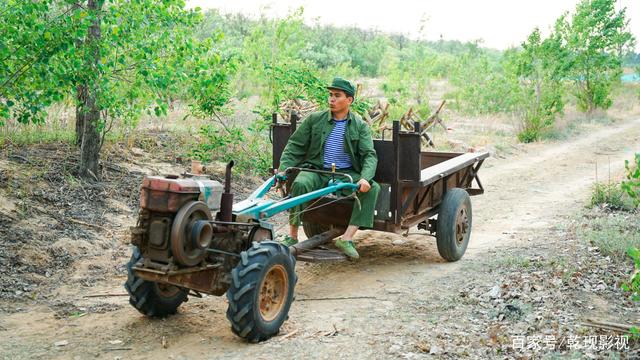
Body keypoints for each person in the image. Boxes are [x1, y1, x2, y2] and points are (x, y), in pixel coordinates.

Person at [277, 77, 380, 259]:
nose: (331, 99)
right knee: (300, 183)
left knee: (373, 188)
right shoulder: (315, 119)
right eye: (330, 95)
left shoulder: (360, 126)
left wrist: (365, 178)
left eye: (337, 95)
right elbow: (295, 146)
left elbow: (368, 155)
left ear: (349, 100)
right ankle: (292, 235)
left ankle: (346, 238)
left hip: (345, 173)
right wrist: (283, 169)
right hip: (317, 169)